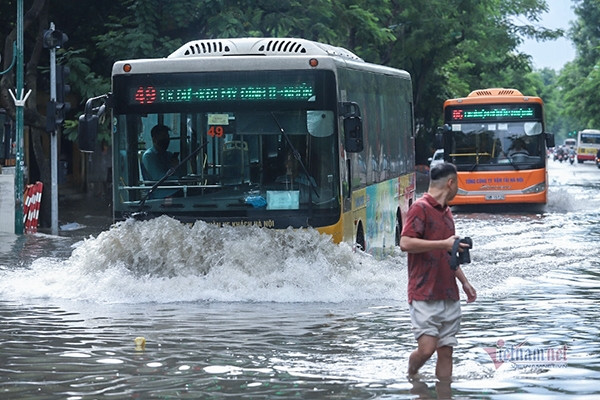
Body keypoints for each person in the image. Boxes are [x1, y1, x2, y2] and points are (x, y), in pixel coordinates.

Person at [400, 162, 477, 380]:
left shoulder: (447, 213)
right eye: (457, 185)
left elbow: (447, 252)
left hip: (449, 291)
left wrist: (464, 282)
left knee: (446, 352)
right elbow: (405, 243)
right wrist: (442, 243)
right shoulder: (420, 208)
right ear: (450, 183)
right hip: (424, 292)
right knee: (427, 349)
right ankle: (411, 375)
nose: (457, 190)